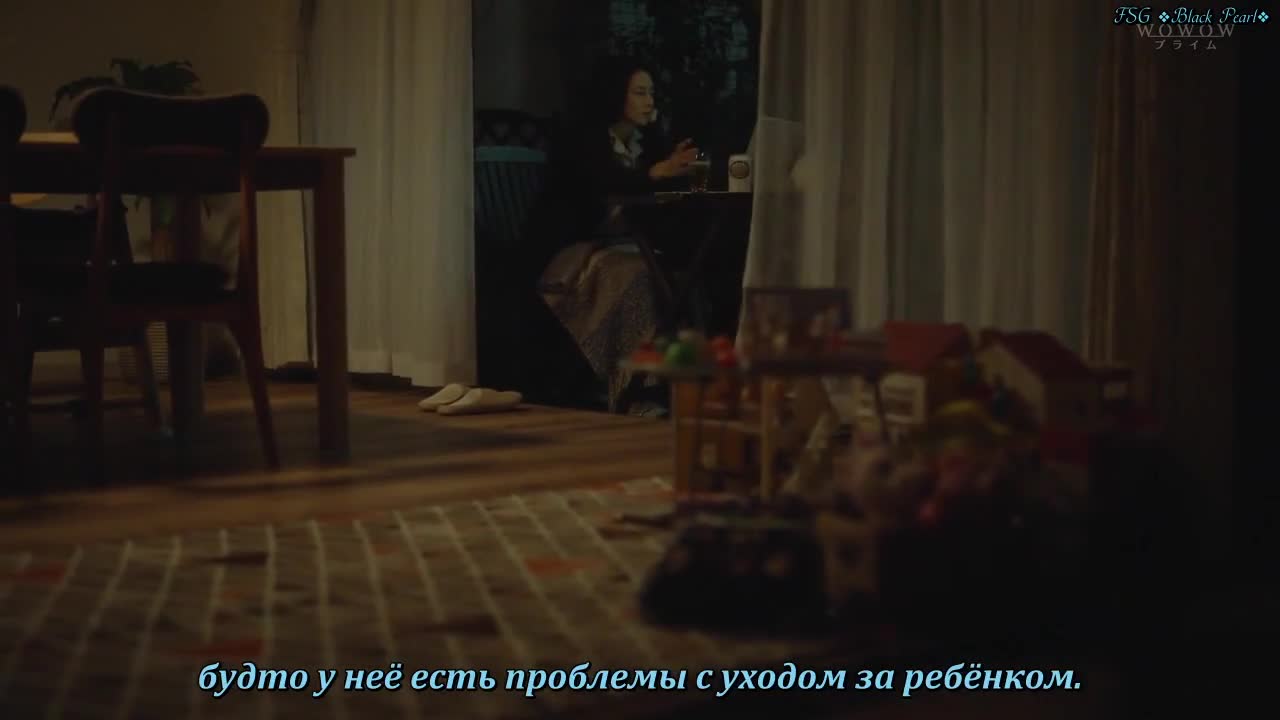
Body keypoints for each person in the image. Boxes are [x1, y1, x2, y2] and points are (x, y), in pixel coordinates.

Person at [523, 56, 700, 414]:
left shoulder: (645, 142)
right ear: (615, 95)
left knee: (681, 275)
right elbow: (602, 184)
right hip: (573, 246)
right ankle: (635, 392)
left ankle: (680, 385)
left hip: (624, 244)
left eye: (651, 93)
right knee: (637, 277)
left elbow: (653, 191)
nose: (649, 101)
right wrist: (655, 173)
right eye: (639, 93)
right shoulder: (584, 141)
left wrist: (673, 169)